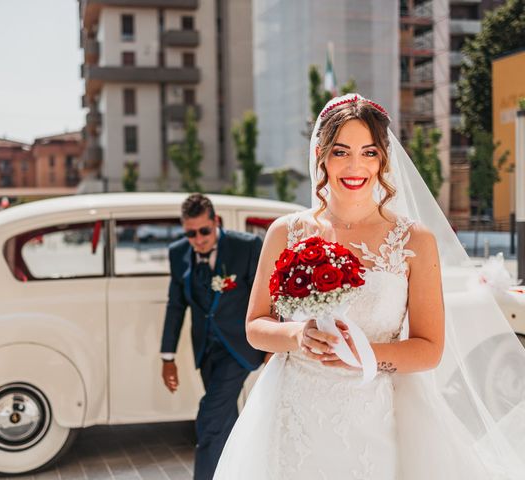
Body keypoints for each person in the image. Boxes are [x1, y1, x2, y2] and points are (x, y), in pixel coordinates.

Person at [213, 94, 525, 479]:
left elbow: (429, 350)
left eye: (369, 152)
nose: (355, 166)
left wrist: (364, 355)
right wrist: (298, 335)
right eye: (341, 152)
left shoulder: (414, 241)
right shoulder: (286, 232)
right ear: (322, 156)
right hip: (291, 414)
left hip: (375, 416)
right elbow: (256, 327)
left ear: (383, 159)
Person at [160, 193, 264, 480]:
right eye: (191, 233)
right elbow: (176, 305)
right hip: (205, 349)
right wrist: (167, 357)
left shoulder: (246, 246)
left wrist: (272, 343)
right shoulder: (177, 252)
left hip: (240, 348)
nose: (198, 239)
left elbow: (266, 297)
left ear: (215, 222)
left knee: (210, 417)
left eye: (204, 231)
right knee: (225, 420)